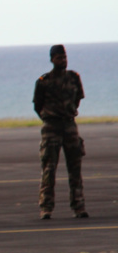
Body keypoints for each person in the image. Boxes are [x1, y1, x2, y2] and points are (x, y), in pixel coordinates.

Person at [33, 44, 87, 220]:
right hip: (51, 128)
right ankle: (46, 208)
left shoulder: (73, 78)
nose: (63, 61)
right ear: (52, 59)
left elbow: (77, 99)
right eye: (59, 58)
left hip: (69, 126)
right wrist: (51, 118)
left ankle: (79, 206)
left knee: (75, 168)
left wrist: (68, 114)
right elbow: (37, 106)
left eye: (64, 57)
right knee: (49, 169)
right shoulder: (44, 81)